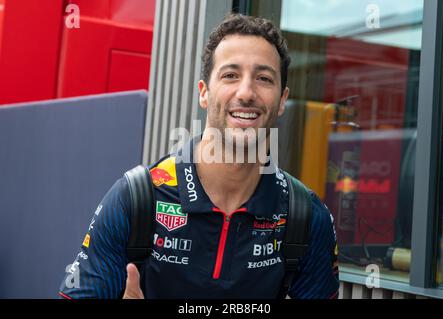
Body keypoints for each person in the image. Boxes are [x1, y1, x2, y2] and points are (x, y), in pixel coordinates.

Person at [58, 14, 339, 299]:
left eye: (264, 78)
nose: (246, 92)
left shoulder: (306, 216)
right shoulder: (135, 200)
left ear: (281, 100)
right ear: (204, 93)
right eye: (230, 75)